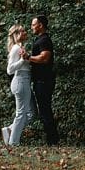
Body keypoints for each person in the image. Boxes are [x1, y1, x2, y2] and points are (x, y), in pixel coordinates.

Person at [28, 14, 59, 145]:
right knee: (44, 110)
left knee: (45, 110)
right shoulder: (40, 40)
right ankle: (52, 140)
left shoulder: (44, 40)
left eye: (33, 25)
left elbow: (44, 58)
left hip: (44, 81)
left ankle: (52, 141)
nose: (31, 28)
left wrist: (28, 57)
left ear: (40, 25)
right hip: (40, 81)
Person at [2, 24, 33, 146]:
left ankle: (9, 129)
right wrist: (22, 61)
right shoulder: (15, 48)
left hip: (24, 81)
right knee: (21, 113)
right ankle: (13, 142)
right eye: (22, 31)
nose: (25, 32)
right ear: (16, 34)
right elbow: (9, 70)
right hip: (20, 81)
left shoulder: (21, 47)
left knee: (31, 114)